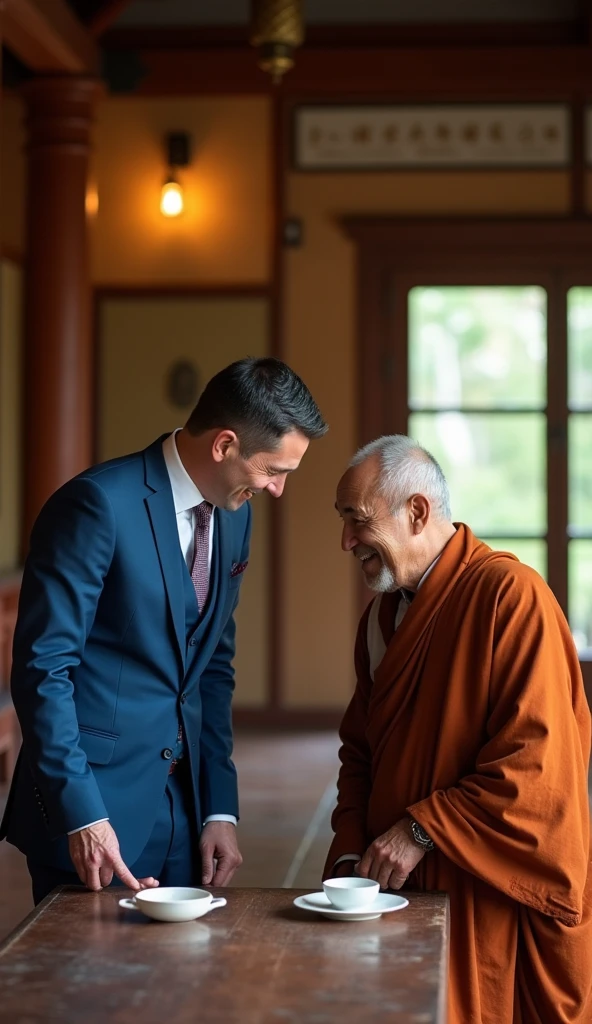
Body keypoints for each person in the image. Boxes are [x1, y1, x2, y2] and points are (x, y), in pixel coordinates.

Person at [1, 357, 327, 905]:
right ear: (224, 445)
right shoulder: (96, 504)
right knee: (86, 987)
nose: (276, 490)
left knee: (181, 984)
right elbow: (42, 670)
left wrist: (219, 806)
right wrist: (82, 813)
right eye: (274, 471)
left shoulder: (235, 515)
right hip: (93, 810)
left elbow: (213, 667)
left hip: (187, 811)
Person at [326, 434, 592, 1024]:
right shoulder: (382, 617)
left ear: (417, 511)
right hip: (392, 890)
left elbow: (537, 771)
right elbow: (360, 754)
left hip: (485, 886)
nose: (347, 542)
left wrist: (420, 831)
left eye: (358, 521)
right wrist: (349, 855)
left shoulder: (512, 598)